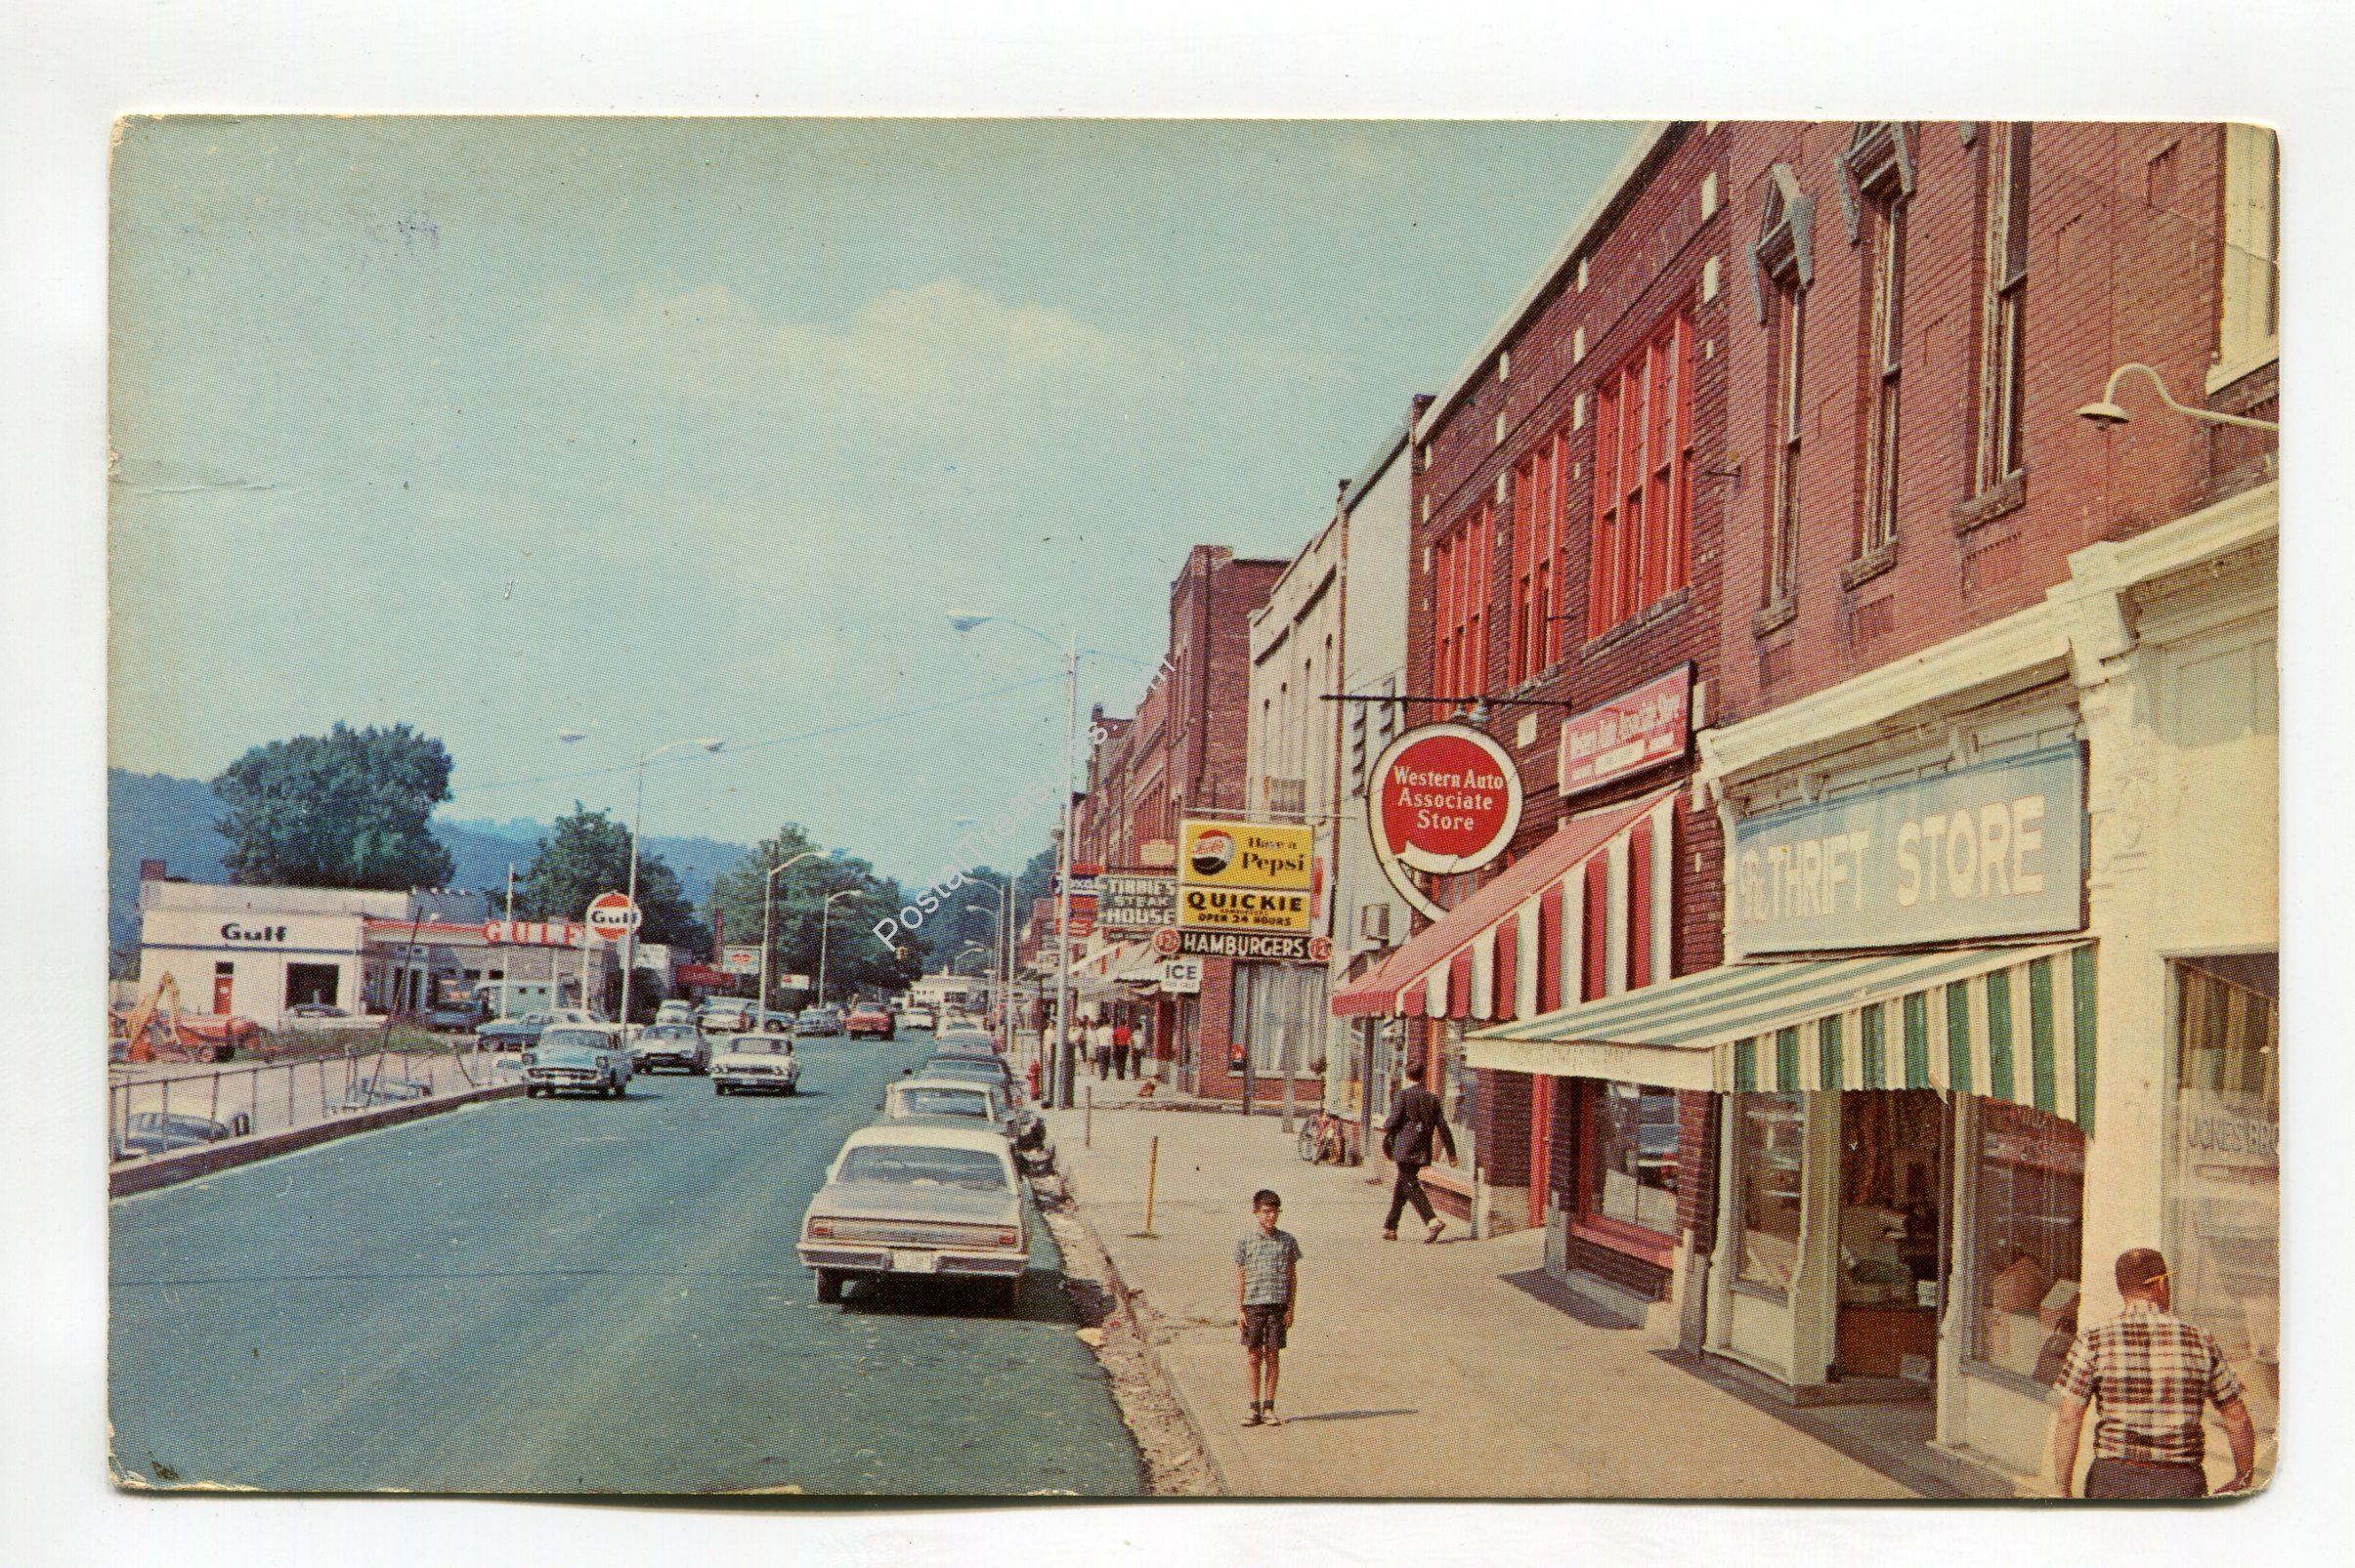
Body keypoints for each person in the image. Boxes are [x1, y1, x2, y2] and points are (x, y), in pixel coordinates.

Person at [2049, 1247, 2259, 1499]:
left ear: (2122, 1290)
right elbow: (2238, 1418)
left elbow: (2069, 1418)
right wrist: (2243, 1475)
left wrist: (2062, 1488)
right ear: (2160, 1283)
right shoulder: (2201, 1340)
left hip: (2113, 1480)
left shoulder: (2093, 1340)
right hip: (2180, 1482)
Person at [1234, 1187, 1302, 1427]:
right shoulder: (1245, 1242)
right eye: (1265, 1212)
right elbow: (1240, 1275)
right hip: (1253, 1305)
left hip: (1278, 1306)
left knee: (1273, 1355)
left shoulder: (1288, 1241)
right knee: (1253, 1356)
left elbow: (1293, 1278)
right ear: (1256, 1213)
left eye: (1274, 1212)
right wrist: (1239, 1308)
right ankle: (1253, 1408)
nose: (1269, 1217)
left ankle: (1269, 1406)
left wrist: (1291, 1308)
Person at [1379, 1062, 1457, 1243]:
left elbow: (1391, 1123)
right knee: (1403, 1184)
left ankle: (1431, 1220)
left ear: (1407, 1076)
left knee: (1409, 1184)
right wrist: (1452, 1153)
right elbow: (1443, 1127)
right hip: (1422, 1148)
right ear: (1423, 1076)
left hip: (1404, 1149)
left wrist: (1387, 1124)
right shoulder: (1432, 1098)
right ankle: (1390, 1228)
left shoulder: (1403, 1096)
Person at [1092, 1016, 1114, 1081]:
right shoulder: (1111, 1030)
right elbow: (1111, 1040)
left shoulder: (1098, 1030)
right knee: (1107, 1061)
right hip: (1108, 1047)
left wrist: (1096, 1047)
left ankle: (1102, 1075)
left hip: (1100, 1047)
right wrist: (1112, 1049)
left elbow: (1096, 1040)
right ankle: (1105, 1074)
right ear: (1108, 1023)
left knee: (1101, 1061)